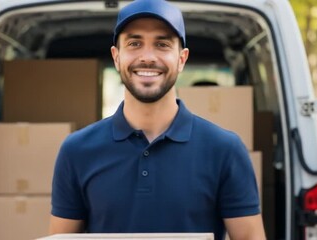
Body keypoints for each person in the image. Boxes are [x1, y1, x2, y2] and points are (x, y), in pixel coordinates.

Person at [49, 0, 266, 239]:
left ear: (182, 59)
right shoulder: (77, 150)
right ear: (116, 56)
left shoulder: (225, 149)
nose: (148, 57)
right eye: (134, 43)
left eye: (162, 44)